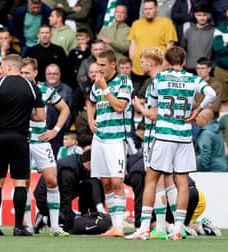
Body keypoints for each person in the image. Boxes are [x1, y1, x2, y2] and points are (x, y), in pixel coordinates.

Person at [126, 46, 215, 240]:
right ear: (184, 62)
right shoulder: (193, 79)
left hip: (164, 134)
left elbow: (152, 112)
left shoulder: (159, 79)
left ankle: (144, 228)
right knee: (182, 182)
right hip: (184, 135)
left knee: (151, 179)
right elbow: (212, 94)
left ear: (167, 61)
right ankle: (177, 229)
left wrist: (139, 106)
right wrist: (198, 110)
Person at [0, 54, 45, 236]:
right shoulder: (32, 87)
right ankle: (18, 227)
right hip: (20, 138)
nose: (0, 70)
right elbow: (41, 116)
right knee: (19, 182)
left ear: (8, 67)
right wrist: (24, 116)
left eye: (2, 67)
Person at [20, 57, 70, 236]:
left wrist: (55, 130)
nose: (24, 76)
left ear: (35, 72)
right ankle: (26, 225)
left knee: (52, 180)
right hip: (22, 141)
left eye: (27, 72)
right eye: (21, 72)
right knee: (23, 183)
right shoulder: (16, 89)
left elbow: (65, 109)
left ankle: (54, 226)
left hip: (41, 140)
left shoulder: (45, 90)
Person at [86, 49, 133, 237]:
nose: (99, 68)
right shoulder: (97, 84)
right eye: (98, 65)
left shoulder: (123, 81)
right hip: (99, 138)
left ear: (113, 65)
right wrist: (90, 120)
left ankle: (120, 227)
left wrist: (105, 88)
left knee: (117, 181)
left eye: (103, 65)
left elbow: (120, 106)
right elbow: (90, 102)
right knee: (105, 182)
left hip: (116, 139)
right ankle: (114, 226)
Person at [128, 0, 177, 95]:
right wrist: (132, 61)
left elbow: (170, 46)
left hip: (157, 69)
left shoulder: (166, 23)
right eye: (145, 9)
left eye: (150, 8)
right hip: (138, 69)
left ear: (157, 8)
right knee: (134, 97)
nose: (147, 11)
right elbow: (132, 45)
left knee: (153, 98)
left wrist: (164, 65)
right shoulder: (136, 24)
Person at [44, 64, 75, 155]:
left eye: (55, 74)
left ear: (60, 75)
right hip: (42, 132)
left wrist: (62, 129)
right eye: (49, 74)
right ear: (45, 75)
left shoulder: (68, 90)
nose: (52, 76)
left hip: (60, 133)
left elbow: (70, 112)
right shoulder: (39, 89)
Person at [180, 3, 214, 74]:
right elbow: (182, 49)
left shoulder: (214, 31)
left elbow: (216, 53)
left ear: (209, 15)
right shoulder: (189, 31)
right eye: (199, 15)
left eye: (204, 15)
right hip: (189, 68)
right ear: (195, 15)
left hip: (206, 69)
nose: (201, 18)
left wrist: (212, 66)